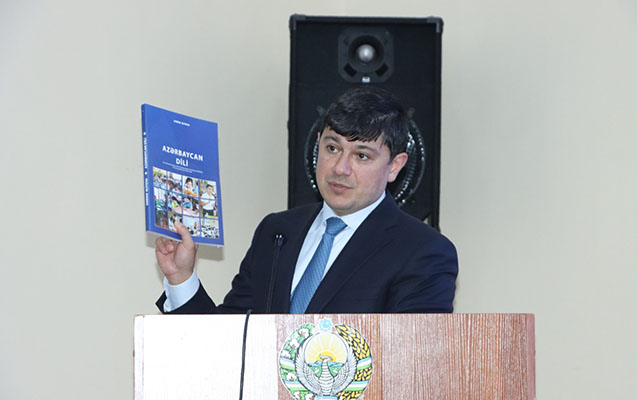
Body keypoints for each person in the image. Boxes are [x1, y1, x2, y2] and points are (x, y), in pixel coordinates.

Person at [155, 86, 458, 314]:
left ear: (394, 166)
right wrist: (181, 277)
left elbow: (412, 362)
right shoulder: (276, 232)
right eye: (332, 148)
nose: (340, 168)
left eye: (362, 156)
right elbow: (230, 344)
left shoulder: (424, 251)